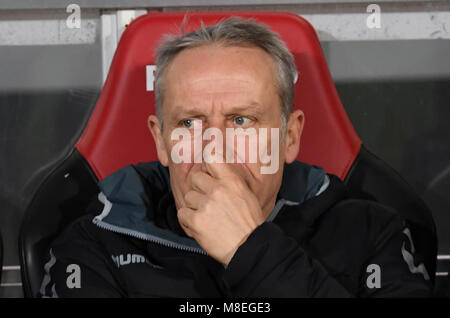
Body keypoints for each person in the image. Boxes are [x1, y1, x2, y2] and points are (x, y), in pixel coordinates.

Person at [40, 17, 432, 297]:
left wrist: (252, 248)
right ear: (160, 142)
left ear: (289, 136)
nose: (215, 149)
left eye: (241, 120)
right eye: (190, 123)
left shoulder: (371, 233)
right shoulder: (96, 242)